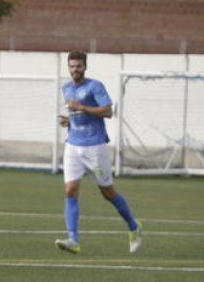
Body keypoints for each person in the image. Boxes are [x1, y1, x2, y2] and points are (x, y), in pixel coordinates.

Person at [55, 51, 143, 255]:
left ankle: (133, 226)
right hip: (72, 146)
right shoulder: (66, 88)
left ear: (85, 67)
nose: (75, 70)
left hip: (95, 148)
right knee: (70, 190)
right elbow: (76, 114)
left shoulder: (95, 86)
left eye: (78, 66)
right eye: (72, 66)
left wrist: (81, 106)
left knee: (108, 193)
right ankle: (73, 240)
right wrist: (69, 121)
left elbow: (108, 112)